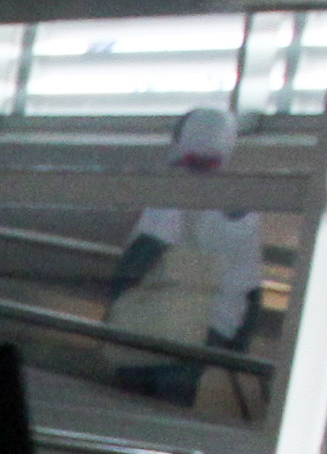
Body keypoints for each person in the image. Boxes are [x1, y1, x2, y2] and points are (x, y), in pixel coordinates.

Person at [110, 106, 266, 409]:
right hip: (216, 325)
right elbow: (252, 283)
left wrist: (116, 300)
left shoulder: (177, 190)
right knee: (175, 409)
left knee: (133, 406)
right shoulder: (244, 203)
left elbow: (143, 254)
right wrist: (240, 342)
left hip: (164, 320)